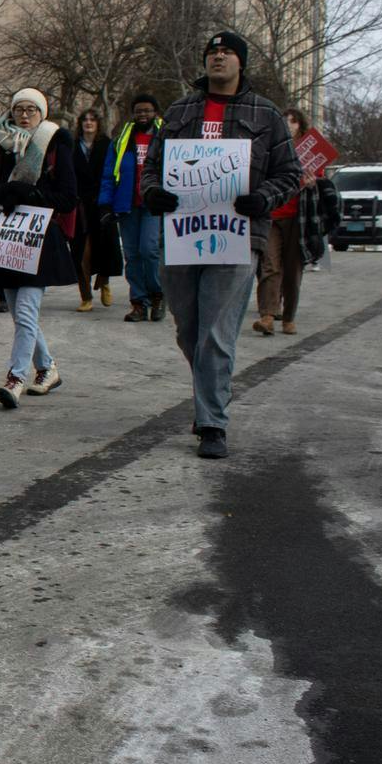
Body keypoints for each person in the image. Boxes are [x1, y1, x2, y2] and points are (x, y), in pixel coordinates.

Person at [140, 29, 302, 460]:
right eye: (212, 52)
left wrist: (263, 198)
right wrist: (153, 192)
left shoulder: (264, 114)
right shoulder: (178, 111)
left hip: (238, 237)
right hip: (181, 236)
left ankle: (212, 423)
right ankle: (208, 396)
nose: (218, 58)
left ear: (241, 62)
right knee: (188, 328)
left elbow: (290, 174)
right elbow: (152, 167)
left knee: (216, 331)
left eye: (227, 52)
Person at [0, 89, 79, 407]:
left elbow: (68, 196)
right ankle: (47, 368)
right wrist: (5, 192)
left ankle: (16, 378)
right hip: (7, 240)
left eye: (31, 109)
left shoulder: (55, 143)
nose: (24, 115)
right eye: (18, 108)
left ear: (42, 113)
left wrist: (30, 194)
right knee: (21, 315)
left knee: (26, 311)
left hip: (40, 239)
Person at [100, 93, 165, 323]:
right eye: (138, 111)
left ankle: (157, 295)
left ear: (155, 112)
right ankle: (138, 302)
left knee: (150, 250)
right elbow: (109, 173)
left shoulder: (165, 137)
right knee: (132, 255)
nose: (143, 115)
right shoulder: (122, 140)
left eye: (147, 110)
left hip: (154, 205)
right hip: (127, 205)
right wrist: (105, 203)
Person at [252, 108, 314, 336]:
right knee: (269, 266)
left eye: (293, 121)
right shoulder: (271, 146)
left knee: (293, 270)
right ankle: (267, 316)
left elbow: (321, 182)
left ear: (301, 125)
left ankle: (288, 317)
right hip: (272, 214)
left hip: (297, 217)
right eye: (285, 121)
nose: (289, 125)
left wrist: (311, 184)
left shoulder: (310, 151)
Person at [67, 109, 121, 312]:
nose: (88, 123)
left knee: (105, 247)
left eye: (92, 120)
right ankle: (86, 295)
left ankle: (104, 282)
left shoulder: (107, 144)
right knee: (81, 251)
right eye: (85, 120)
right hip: (80, 205)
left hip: (102, 203)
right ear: (80, 124)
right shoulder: (72, 147)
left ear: (98, 123)